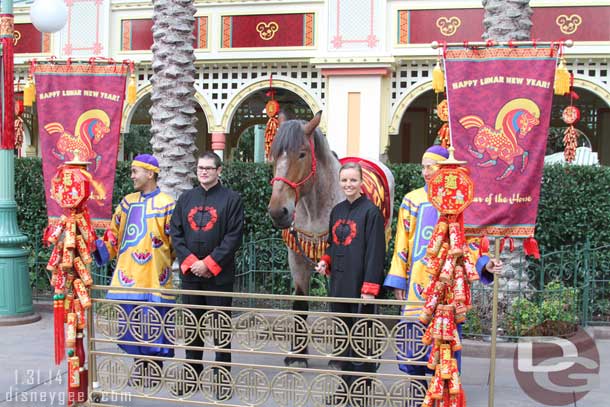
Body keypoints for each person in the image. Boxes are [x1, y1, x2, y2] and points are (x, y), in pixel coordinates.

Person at [383, 145, 503, 389]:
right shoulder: (412, 200)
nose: (426, 172)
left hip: (449, 287)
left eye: (432, 166)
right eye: (424, 167)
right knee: (413, 341)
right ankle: (418, 391)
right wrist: (398, 279)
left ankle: (445, 393)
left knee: (446, 340)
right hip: (417, 283)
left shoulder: (459, 202)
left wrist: (485, 264)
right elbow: (402, 243)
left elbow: (469, 244)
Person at [94, 154, 176, 383]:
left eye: (135, 171)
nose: (131, 176)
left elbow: (174, 243)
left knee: (154, 325)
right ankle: (141, 366)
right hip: (128, 278)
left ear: (150, 174)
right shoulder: (127, 202)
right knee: (131, 325)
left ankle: (153, 368)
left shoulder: (167, 204)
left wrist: (162, 262)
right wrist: (96, 245)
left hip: (154, 279)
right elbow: (113, 236)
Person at [170, 151, 244, 383]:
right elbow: (176, 232)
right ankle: (192, 374)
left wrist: (209, 264)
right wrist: (192, 263)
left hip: (219, 276)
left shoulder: (232, 199)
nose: (203, 171)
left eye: (208, 168)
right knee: (193, 325)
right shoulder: (185, 198)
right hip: (191, 275)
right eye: (200, 168)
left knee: (220, 327)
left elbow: (234, 236)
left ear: (219, 170)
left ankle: (221, 376)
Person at [315, 162, 386, 386]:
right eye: (344, 180)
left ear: (361, 182)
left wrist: (370, 289)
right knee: (343, 339)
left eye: (353, 180)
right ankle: (344, 388)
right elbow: (332, 246)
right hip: (339, 285)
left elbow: (376, 252)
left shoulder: (371, 212)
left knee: (361, 339)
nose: (348, 184)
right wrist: (325, 261)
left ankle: (361, 390)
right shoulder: (337, 211)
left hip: (361, 288)